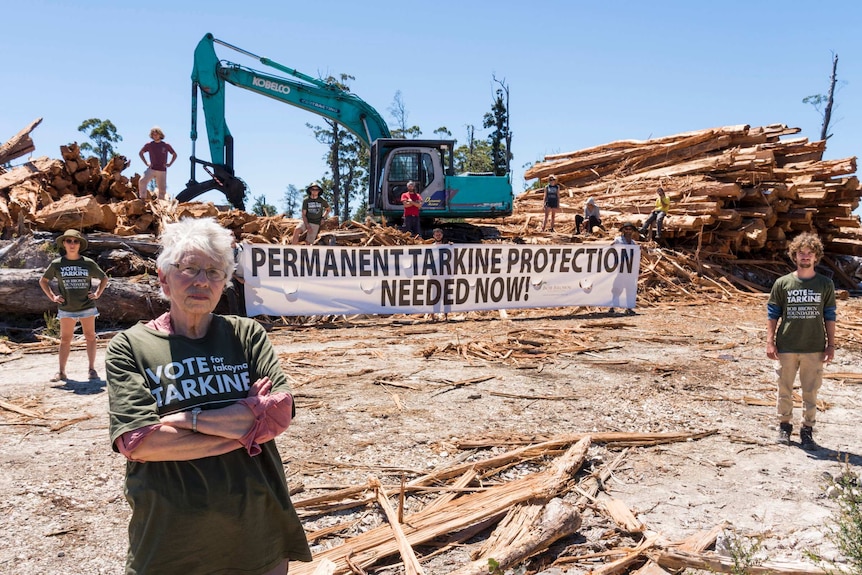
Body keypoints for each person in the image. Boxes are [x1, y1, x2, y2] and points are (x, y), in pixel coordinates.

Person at [106, 217, 311, 574]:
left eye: (215, 272)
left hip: (257, 528)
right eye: (189, 269)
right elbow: (140, 442)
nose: (202, 280)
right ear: (163, 277)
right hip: (172, 539)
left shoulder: (246, 335)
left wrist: (189, 420)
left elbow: (279, 414)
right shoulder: (131, 346)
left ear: (225, 283)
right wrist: (247, 424)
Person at [767, 232, 836, 450]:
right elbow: (773, 313)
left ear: (816, 257)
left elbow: (830, 315)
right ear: (794, 256)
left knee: (811, 391)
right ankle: (784, 426)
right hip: (786, 345)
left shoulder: (825, 284)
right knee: (784, 388)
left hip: (813, 347)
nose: (805, 257)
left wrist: (831, 344)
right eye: (801, 253)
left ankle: (807, 431)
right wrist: (770, 341)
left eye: (809, 253)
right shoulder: (783, 283)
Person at [39, 229, 108, 382]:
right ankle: (61, 372)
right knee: (65, 339)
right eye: (68, 241)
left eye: (75, 241)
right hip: (67, 308)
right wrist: (52, 297)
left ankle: (91, 369)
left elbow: (104, 278)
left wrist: (97, 294)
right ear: (64, 243)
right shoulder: (57, 264)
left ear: (79, 244)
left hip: (87, 306)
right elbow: (43, 281)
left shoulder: (87, 263)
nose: (72, 244)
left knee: (90, 337)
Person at [137, 126, 177, 200]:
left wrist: (169, 164)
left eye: (156, 134)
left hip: (162, 170)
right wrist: (146, 163)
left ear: (160, 135)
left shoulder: (166, 145)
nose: (155, 136)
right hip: (152, 168)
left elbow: (174, 154)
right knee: (142, 181)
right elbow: (141, 153)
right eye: (153, 134)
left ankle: (160, 205)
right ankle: (142, 199)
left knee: (162, 190)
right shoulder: (149, 145)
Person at [609, 222, 638, 315]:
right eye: (626, 229)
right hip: (619, 268)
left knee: (630, 288)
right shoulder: (618, 240)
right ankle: (612, 307)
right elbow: (610, 248)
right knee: (617, 288)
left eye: (630, 229)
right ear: (623, 230)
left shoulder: (633, 243)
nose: (628, 231)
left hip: (629, 269)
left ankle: (628, 308)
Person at [226, 237, 247, 316]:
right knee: (230, 288)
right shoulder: (225, 252)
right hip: (231, 276)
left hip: (242, 275)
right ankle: (234, 315)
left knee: (244, 292)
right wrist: (238, 278)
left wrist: (247, 241)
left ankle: (244, 314)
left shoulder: (243, 247)